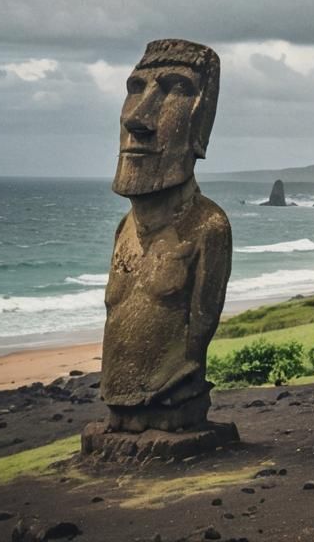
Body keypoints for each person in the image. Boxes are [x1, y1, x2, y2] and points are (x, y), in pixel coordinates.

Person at [100, 39, 231, 432]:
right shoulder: (123, 229)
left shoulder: (208, 228)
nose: (137, 119)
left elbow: (201, 323)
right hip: (119, 407)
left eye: (174, 90)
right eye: (135, 89)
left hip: (173, 402)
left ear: (200, 120)